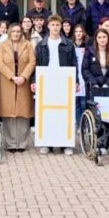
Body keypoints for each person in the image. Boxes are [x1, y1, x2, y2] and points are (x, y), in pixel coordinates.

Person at [32, 15, 78, 155]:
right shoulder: (41, 45)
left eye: (58, 25)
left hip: (64, 81)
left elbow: (74, 63)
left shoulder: (69, 44)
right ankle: (47, 143)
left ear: (61, 26)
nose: (55, 27)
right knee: (47, 113)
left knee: (65, 113)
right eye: (53, 25)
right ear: (48, 26)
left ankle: (65, 144)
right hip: (46, 81)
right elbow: (36, 64)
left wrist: (76, 81)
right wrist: (34, 81)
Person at [0, 23, 36, 153]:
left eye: (18, 31)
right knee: (8, 113)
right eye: (13, 31)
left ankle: (22, 143)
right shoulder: (2, 45)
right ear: (9, 32)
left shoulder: (28, 45)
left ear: (21, 33)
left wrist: (23, 76)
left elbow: (32, 62)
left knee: (23, 112)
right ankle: (10, 143)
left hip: (23, 82)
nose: (16, 34)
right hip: (7, 82)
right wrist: (12, 76)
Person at [82, 28, 109, 154]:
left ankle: (106, 140)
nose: (102, 40)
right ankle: (98, 142)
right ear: (96, 39)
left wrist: (107, 84)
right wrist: (94, 83)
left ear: (108, 38)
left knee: (108, 114)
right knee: (97, 116)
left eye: (104, 37)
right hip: (95, 88)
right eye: (99, 37)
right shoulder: (89, 52)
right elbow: (85, 70)